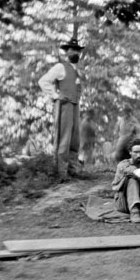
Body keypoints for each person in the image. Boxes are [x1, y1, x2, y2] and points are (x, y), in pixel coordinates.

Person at [38, 36, 84, 178]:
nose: (75, 53)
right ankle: (61, 173)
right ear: (67, 52)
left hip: (75, 106)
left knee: (75, 139)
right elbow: (43, 81)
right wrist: (56, 96)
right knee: (64, 138)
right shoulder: (60, 67)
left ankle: (73, 170)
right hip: (64, 105)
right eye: (72, 50)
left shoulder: (78, 71)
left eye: (77, 50)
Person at [111, 138, 140, 223]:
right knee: (132, 179)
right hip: (124, 204)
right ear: (130, 152)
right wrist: (136, 172)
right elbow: (116, 186)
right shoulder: (122, 165)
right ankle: (134, 212)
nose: (138, 155)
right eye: (136, 152)